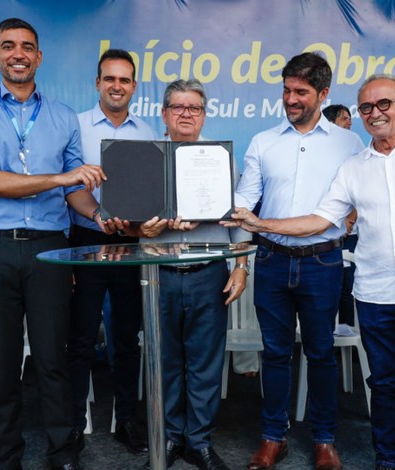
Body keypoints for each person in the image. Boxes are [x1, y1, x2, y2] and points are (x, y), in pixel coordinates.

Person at [228, 73, 395, 470]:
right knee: (382, 386)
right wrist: (260, 226)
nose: (376, 114)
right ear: (359, 113)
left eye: (384, 104)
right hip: (375, 292)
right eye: (366, 107)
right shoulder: (354, 165)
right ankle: (387, 461)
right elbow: (320, 218)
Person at [0, 18, 105, 470]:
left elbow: (76, 191)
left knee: (51, 358)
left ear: (39, 57)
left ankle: (63, 452)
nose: (18, 54)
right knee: (2, 362)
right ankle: (8, 457)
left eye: (27, 47)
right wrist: (62, 178)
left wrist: (100, 216)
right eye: (8, 46)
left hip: (49, 250)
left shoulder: (62, 116)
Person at [234, 52, 364, 470]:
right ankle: (273, 438)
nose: (290, 99)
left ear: (323, 94)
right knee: (274, 353)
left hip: (322, 264)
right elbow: (242, 203)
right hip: (271, 261)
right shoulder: (263, 142)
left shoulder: (350, 143)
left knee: (321, 353)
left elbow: (363, 196)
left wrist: (353, 215)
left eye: (301, 92)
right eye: (286, 90)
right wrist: (236, 256)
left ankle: (325, 441)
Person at [128, 78, 250, 470]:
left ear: (203, 114)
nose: (185, 114)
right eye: (177, 107)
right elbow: (130, 221)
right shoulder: (146, 158)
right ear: (163, 114)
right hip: (157, 274)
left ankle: (198, 441)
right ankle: (169, 438)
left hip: (207, 272)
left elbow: (238, 217)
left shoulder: (220, 158)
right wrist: (150, 225)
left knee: (204, 362)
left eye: (193, 108)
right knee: (163, 361)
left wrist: (242, 265)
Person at [67, 48, 157, 455]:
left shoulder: (148, 132)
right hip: (85, 240)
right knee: (81, 337)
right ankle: (72, 425)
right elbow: (70, 187)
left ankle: (127, 420)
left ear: (134, 86)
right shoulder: (76, 126)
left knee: (125, 337)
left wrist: (140, 222)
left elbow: (154, 191)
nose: (116, 86)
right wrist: (100, 213)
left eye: (124, 80)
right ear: (98, 83)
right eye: (109, 78)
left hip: (131, 245)